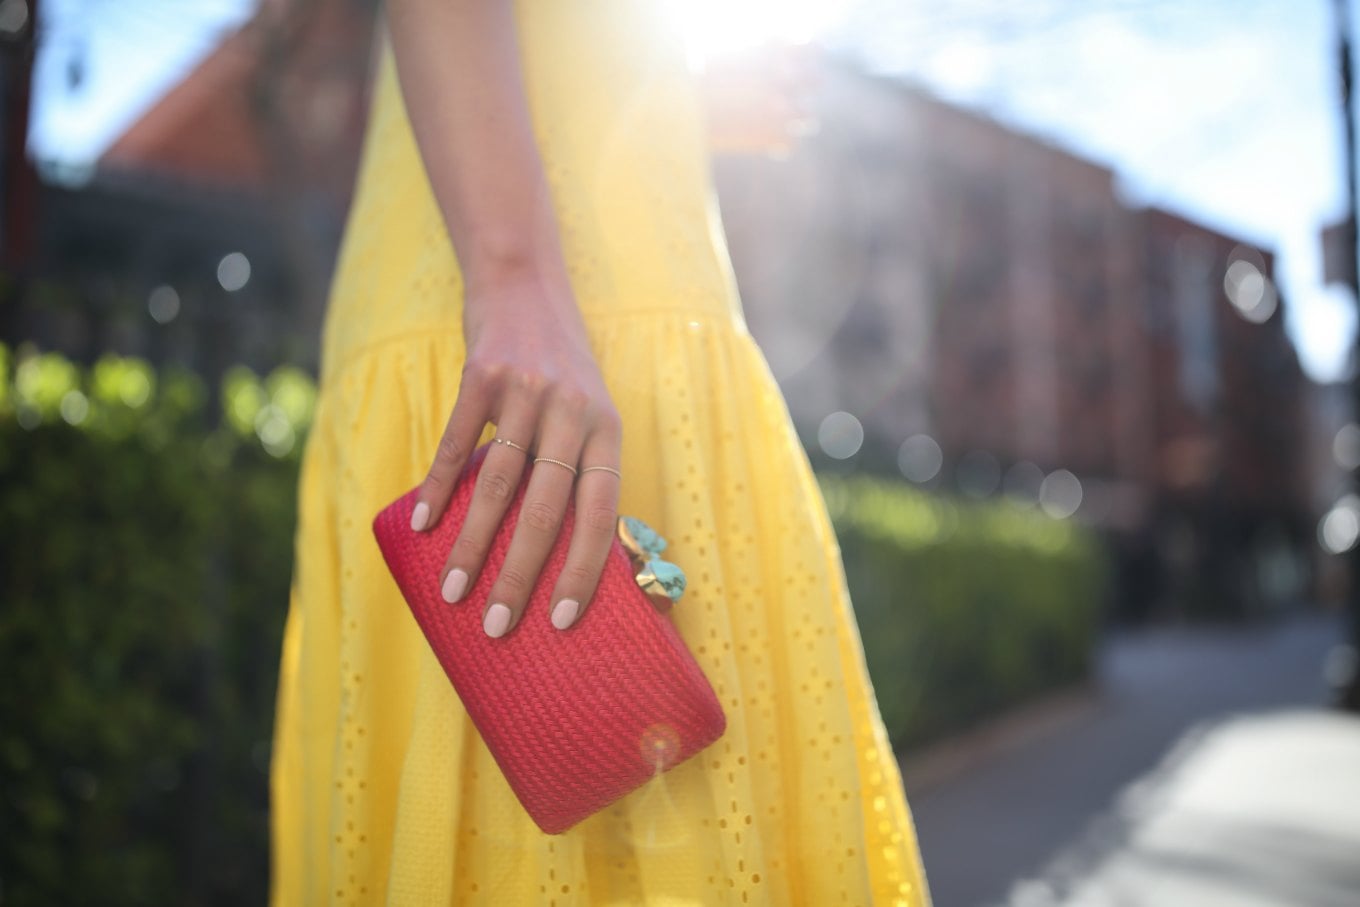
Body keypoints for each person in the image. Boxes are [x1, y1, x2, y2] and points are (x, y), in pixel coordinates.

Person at [269, 1, 931, 904]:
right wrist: (511, 278)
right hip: (522, 318)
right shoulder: (520, 298)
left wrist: (676, 92)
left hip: (612, 314)